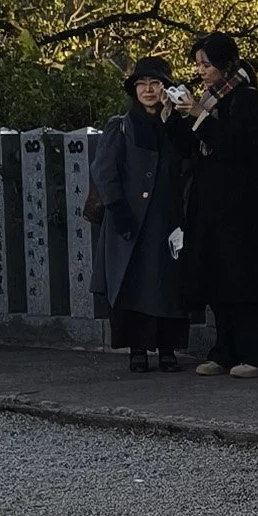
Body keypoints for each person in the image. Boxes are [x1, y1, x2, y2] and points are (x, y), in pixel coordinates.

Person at [178, 32, 258, 374]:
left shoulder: (245, 97)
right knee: (216, 276)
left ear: (225, 64)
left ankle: (257, 353)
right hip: (210, 201)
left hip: (241, 203)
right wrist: (181, 114)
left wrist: (199, 117)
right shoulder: (207, 98)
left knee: (244, 277)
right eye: (198, 64)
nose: (201, 71)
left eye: (207, 64)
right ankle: (225, 350)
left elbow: (238, 147)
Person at [90, 58, 191, 371]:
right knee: (132, 284)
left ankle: (167, 349)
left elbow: (187, 161)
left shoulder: (175, 124)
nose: (148, 89)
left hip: (167, 217)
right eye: (142, 84)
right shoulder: (121, 124)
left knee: (167, 285)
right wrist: (118, 210)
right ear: (134, 89)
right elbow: (104, 170)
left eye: (155, 83)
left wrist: (172, 118)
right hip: (129, 219)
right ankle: (137, 349)